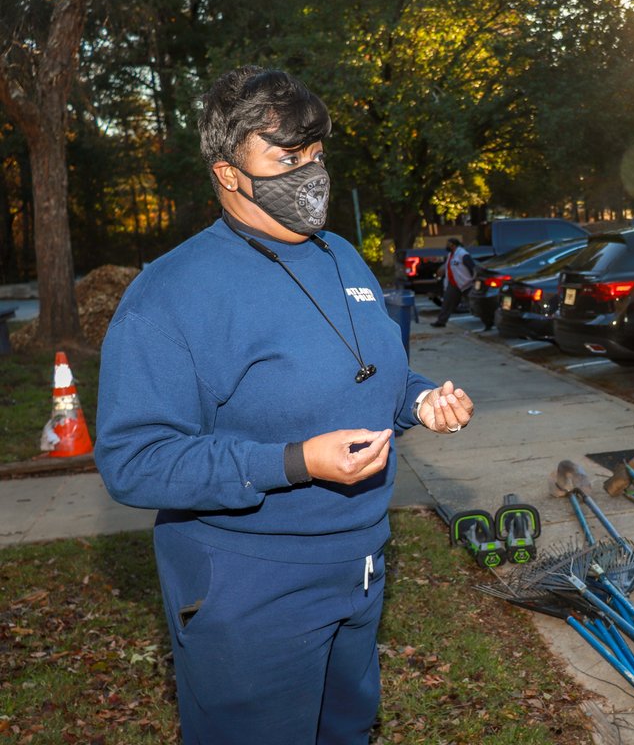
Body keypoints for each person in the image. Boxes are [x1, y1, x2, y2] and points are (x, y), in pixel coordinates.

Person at [94, 66, 475, 744]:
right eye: (287, 159)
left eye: (317, 155)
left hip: (359, 566)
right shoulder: (171, 293)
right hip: (250, 586)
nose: (312, 175)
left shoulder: (342, 257)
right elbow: (135, 461)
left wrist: (418, 400)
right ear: (228, 173)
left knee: (345, 732)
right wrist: (294, 463)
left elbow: (369, 373)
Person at [430, 237, 475, 327]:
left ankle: (487, 319)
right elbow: (450, 267)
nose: (447, 246)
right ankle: (441, 321)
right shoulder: (450, 255)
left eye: (448, 244)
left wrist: (474, 279)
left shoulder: (463, 254)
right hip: (453, 283)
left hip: (466, 283)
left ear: (453, 245)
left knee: (474, 302)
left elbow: (472, 267)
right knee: (447, 302)